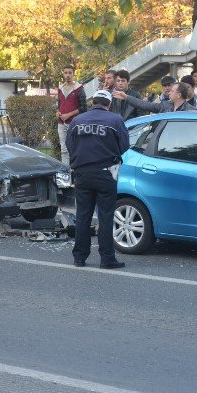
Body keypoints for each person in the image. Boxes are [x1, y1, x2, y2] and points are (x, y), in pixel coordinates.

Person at [65, 89, 130, 269]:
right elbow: (124, 146)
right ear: (108, 104)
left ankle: (79, 257)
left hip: (82, 173)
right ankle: (107, 258)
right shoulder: (115, 120)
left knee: (83, 216)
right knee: (106, 216)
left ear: (93, 102)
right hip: (106, 172)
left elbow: (69, 144)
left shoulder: (77, 120)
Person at [56, 64, 87, 165]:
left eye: (70, 73)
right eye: (65, 73)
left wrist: (69, 114)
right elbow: (59, 104)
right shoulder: (60, 88)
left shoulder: (79, 88)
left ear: (74, 74)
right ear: (63, 74)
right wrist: (57, 111)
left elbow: (84, 108)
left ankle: (75, 171)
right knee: (63, 149)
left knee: (75, 148)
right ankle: (66, 172)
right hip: (61, 123)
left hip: (74, 123)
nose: (68, 75)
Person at [113, 82, 197, 113]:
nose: (169, 93)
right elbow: (144, 105)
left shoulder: (192, 112)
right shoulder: (165, 105)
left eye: (172, 91)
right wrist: (126, 97)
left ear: (179, 95)